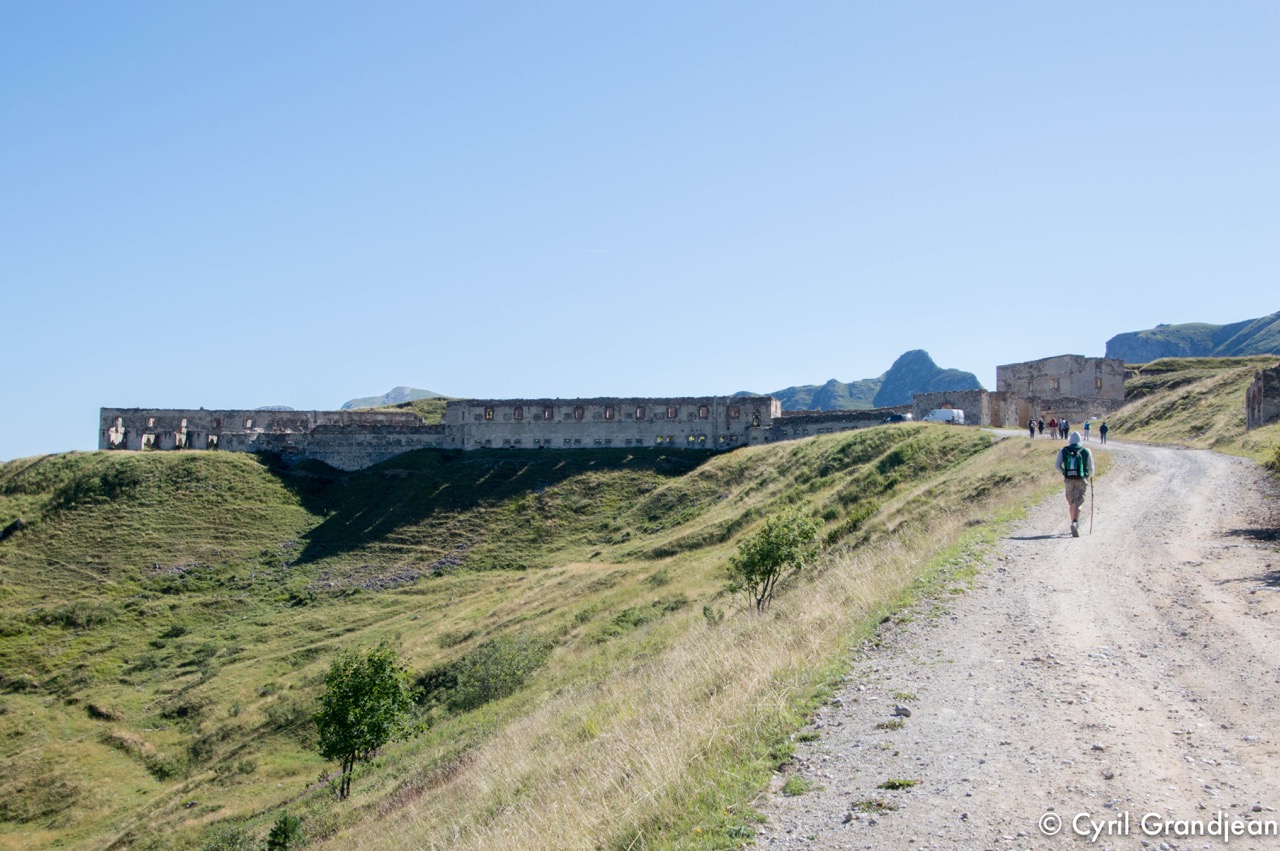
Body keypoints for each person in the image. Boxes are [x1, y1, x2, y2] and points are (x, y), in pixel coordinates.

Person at [1055, 431, 1093, 537]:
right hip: (1081, 479)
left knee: (1071, 502)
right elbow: (1091, 469)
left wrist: (1065, 472)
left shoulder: (1064, 450)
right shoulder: (1086, 451)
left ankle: (1073, 523)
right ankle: (1075, 523)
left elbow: (1057, 465)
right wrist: (1087, 475)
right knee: (1078, 502)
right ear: (1080, 441)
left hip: (1068, 480)